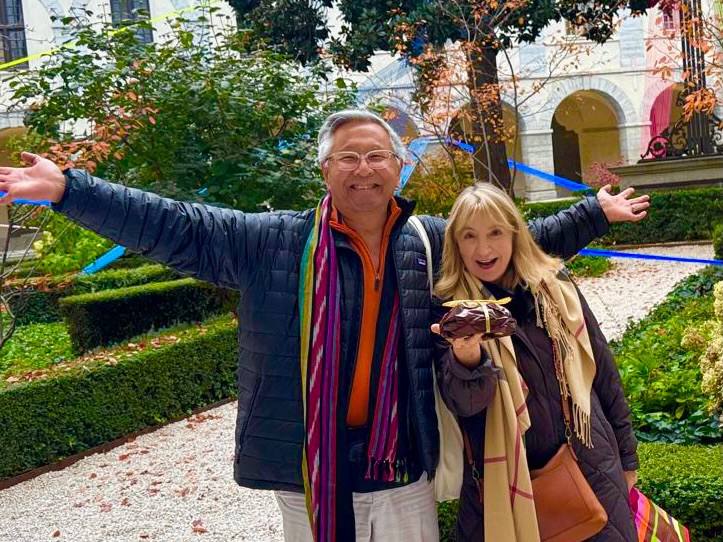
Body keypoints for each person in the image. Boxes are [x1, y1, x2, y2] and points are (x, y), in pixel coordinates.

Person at [0, 109, 649, 542]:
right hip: (309, 471)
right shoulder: (270, 242)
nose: (363, 168)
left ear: (398, 167)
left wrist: (593, 214)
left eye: (376, 155)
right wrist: (69, 189)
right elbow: (176, 226)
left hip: (402, 465)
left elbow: (507, 245)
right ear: (324, 169)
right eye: (348, 157)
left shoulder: (428, 242)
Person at [431, 182, 639, 542]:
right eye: (469, 236)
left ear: (515, 233)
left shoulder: (554, 288)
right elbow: (467, 406)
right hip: (504, 487)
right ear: (455, 244)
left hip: (591, 470)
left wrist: (627, 455)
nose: (483, 249)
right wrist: (466, 358)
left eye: (495, 233)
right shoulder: (450, 313)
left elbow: (603, 375)